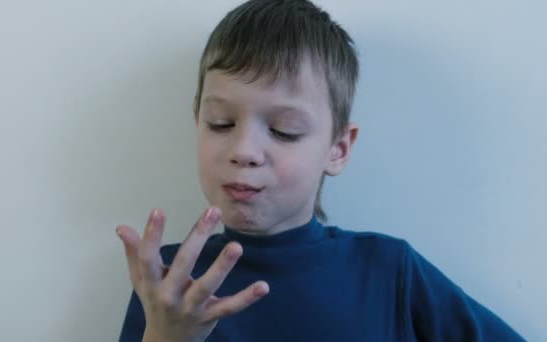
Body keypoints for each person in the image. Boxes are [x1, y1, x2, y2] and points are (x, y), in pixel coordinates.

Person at [116, 0, 524, 341]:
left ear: (338, 149)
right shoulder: (167, 285)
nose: (244, 151)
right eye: (221, 123)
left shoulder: (387, 270)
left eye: (283, 131)